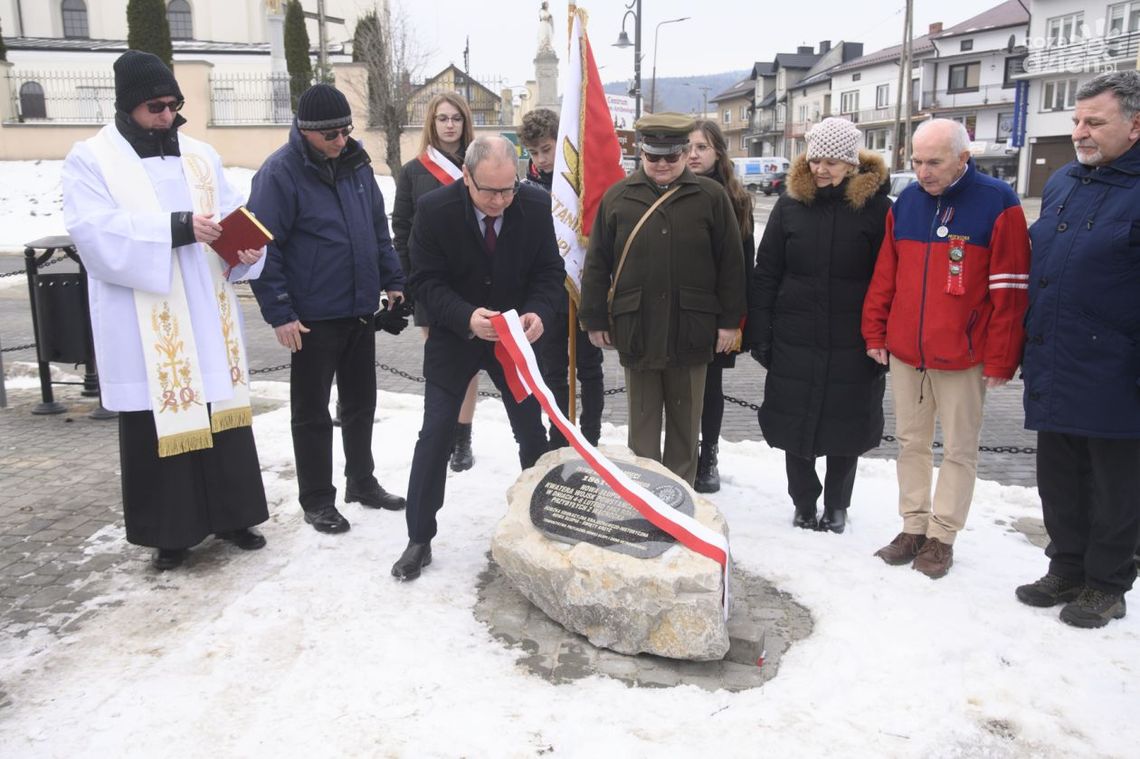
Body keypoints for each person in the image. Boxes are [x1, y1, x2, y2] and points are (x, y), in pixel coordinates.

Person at [62, 50, 269, 570]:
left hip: (205, 308)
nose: (166, 116)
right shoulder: (92, 158)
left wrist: (243, 250)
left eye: (174, 105)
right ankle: (170, 535)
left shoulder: (200, 154)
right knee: (159, 424)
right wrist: (174, 230)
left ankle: (234, 516)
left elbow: (228, 212)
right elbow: (93, 232)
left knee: (221, 415)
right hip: (145, 317)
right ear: (128, 106)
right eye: (156, 106)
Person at [391, 135, 565, 581]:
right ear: (466, 176)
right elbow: (424, 282)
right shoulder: (434, 209)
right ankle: (419, 537)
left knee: (532, 433)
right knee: (435, 434)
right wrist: (467, 317)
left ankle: (543, 523)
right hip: (456, 336)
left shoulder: (534, 205)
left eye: (509, 190)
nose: (500, 201)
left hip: (514, 339)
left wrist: (539, 312)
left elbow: (549, 272)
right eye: (489, 191)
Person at [862, 118, 1030, 578]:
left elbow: (1010, 289)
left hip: (964, 355)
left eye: (934, 162)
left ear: (963, 157)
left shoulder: (998, 203)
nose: (922, 172)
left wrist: (1001, 356)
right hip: (906, 353)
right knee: (910, 442)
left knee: (958, 449)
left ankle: (942, 536)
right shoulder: (909, 203)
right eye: (916, 161)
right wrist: (876, 332)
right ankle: (913, 526)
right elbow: (886, 275)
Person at [248, 83, 406, 535]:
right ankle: (317, 498)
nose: (341, 141)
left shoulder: (357, 165)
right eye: (331, 135)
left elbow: (378, 228)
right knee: (312, 412)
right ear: (306, 131)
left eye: (346, 131)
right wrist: (279, 311)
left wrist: (392, 280)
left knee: (360, 403)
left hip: (358, 308)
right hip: (311, 316)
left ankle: (361, 481)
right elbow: (262, 247)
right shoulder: (280, 173)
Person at [1015, 70, 1140, 628]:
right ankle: (1066, 566)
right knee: (1059, 478)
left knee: (1116, 486)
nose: (1080, 132)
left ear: (1135, 126)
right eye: (1075, 121)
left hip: (1119, 370)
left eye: (1095, 122)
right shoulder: (1065, 181)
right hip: (1057, 357)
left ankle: (1108, 583)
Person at [579, 113, 746, 485]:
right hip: (637, 326)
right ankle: (646, 497)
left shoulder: (711, 197)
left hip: (693, 326)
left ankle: (680, 498)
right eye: (654, 157)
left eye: (671, 157)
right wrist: (594, 319)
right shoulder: (618, 197)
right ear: (641, 153)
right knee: (642, 422)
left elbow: (732, 265)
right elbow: (597, 263)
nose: (662, 165)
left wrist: (729, 323)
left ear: (686, 153)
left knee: (687, 424)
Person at [748, 117, 891, 533]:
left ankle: (838, 504)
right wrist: (761, 331)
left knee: (848, 424)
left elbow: (889, 278)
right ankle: (803, 501)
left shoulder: (877, 209)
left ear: (851, 163)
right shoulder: (791, 205)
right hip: (796, 336)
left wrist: (881, 336)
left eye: (831, 161)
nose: (821, 169)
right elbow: (767, 270)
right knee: (795, 423)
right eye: (815, 160)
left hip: (853, 340)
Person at [392, 93, 480, 473]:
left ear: (465, 122)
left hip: (474, 280)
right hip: (431, 282)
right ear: (432, 122)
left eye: (456, 118)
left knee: (472, 363)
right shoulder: (413, 171)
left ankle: (463, 436)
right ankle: (441, 432)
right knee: (440, 361)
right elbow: (402, 229)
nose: (449, 125)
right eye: (442, 118)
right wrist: (408, 279)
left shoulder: (479, 164)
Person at [520, 107, 605, 448]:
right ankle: (560, 434)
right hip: (548, 291)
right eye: (534, 152)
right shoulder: (525, 186)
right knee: (553, 368)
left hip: (583, 285)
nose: (540, 158)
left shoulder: (582, 182)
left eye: (547, 149)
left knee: (589, 366)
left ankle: (591, 434)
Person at [685, 119, 754, 493]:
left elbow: (743, 265)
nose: (693, 154)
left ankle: (707, 454)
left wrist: (735, 320)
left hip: (716, 312)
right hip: (680, 309)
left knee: (710, 387)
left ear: (718, 153)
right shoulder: (672, 190)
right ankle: (680, 452)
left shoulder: (735, 199)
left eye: (702, 147)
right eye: (689, 147)